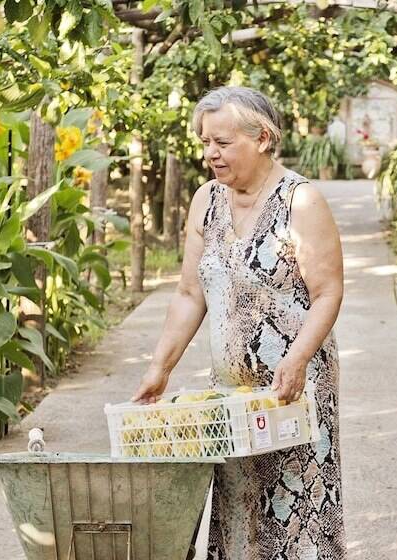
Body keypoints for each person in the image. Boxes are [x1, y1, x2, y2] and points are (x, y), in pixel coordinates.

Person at [132, 86, 346, 559]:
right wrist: (160, 367)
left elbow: (328, 293)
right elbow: (191, 294)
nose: (211, 154)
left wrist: (296, 359)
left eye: (223, 143)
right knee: (240, 509)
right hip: (232, 393)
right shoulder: (207, 200)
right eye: (206, 142)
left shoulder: (301, 201)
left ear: (263, 138)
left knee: (295, 509)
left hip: (295, 386)